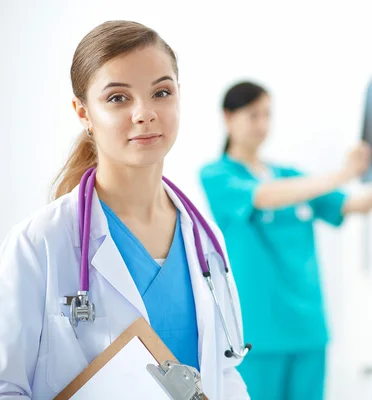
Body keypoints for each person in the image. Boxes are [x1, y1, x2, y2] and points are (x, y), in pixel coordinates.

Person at [0, 21, 248, 400]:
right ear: (83, 113)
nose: (145, 113)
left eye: (161, 92)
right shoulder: (39, 243)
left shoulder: (205, 239)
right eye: (118, 98)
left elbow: (225, 372)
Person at [200, 81, 372, 400]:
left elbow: (358, 204)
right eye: (253, 116)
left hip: (307, 329)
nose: (262, 125)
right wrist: (341, 174)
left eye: (267, 115)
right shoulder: (218, 175)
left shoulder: (291, 175)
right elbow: (264, 197)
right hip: (258, 333)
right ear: (228, 117)